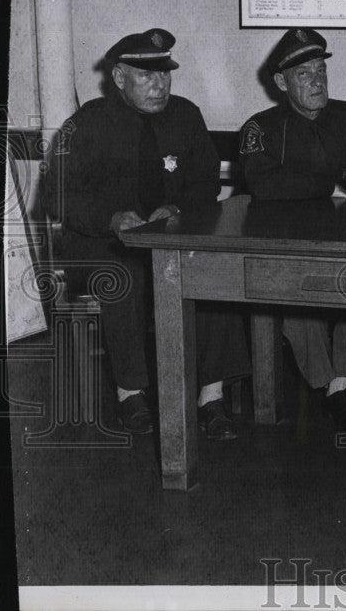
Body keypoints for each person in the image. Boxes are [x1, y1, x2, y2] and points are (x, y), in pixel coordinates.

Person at [44, 28, 250, 439]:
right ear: (119, 77)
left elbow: (205, 180)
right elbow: (57, 196)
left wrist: (178, 209)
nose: (161, 86)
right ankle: (131, 393)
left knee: (212, 271)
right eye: (147, 77)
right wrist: (112, 218)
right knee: (126, 274)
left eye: (166, 75)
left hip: (172, 236)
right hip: (99, 242)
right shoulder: (86, 124)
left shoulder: (186, 116)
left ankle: (211, 396)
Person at [240, 28, 346, 432]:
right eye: (304, 74)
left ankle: (340, 383)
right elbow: (261, 183)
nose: (317, 80)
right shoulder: (261, 128)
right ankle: (328, 381)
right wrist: (328, 186)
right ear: (281, 83)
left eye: (321, 70)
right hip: (292, 246)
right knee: (292, 291)